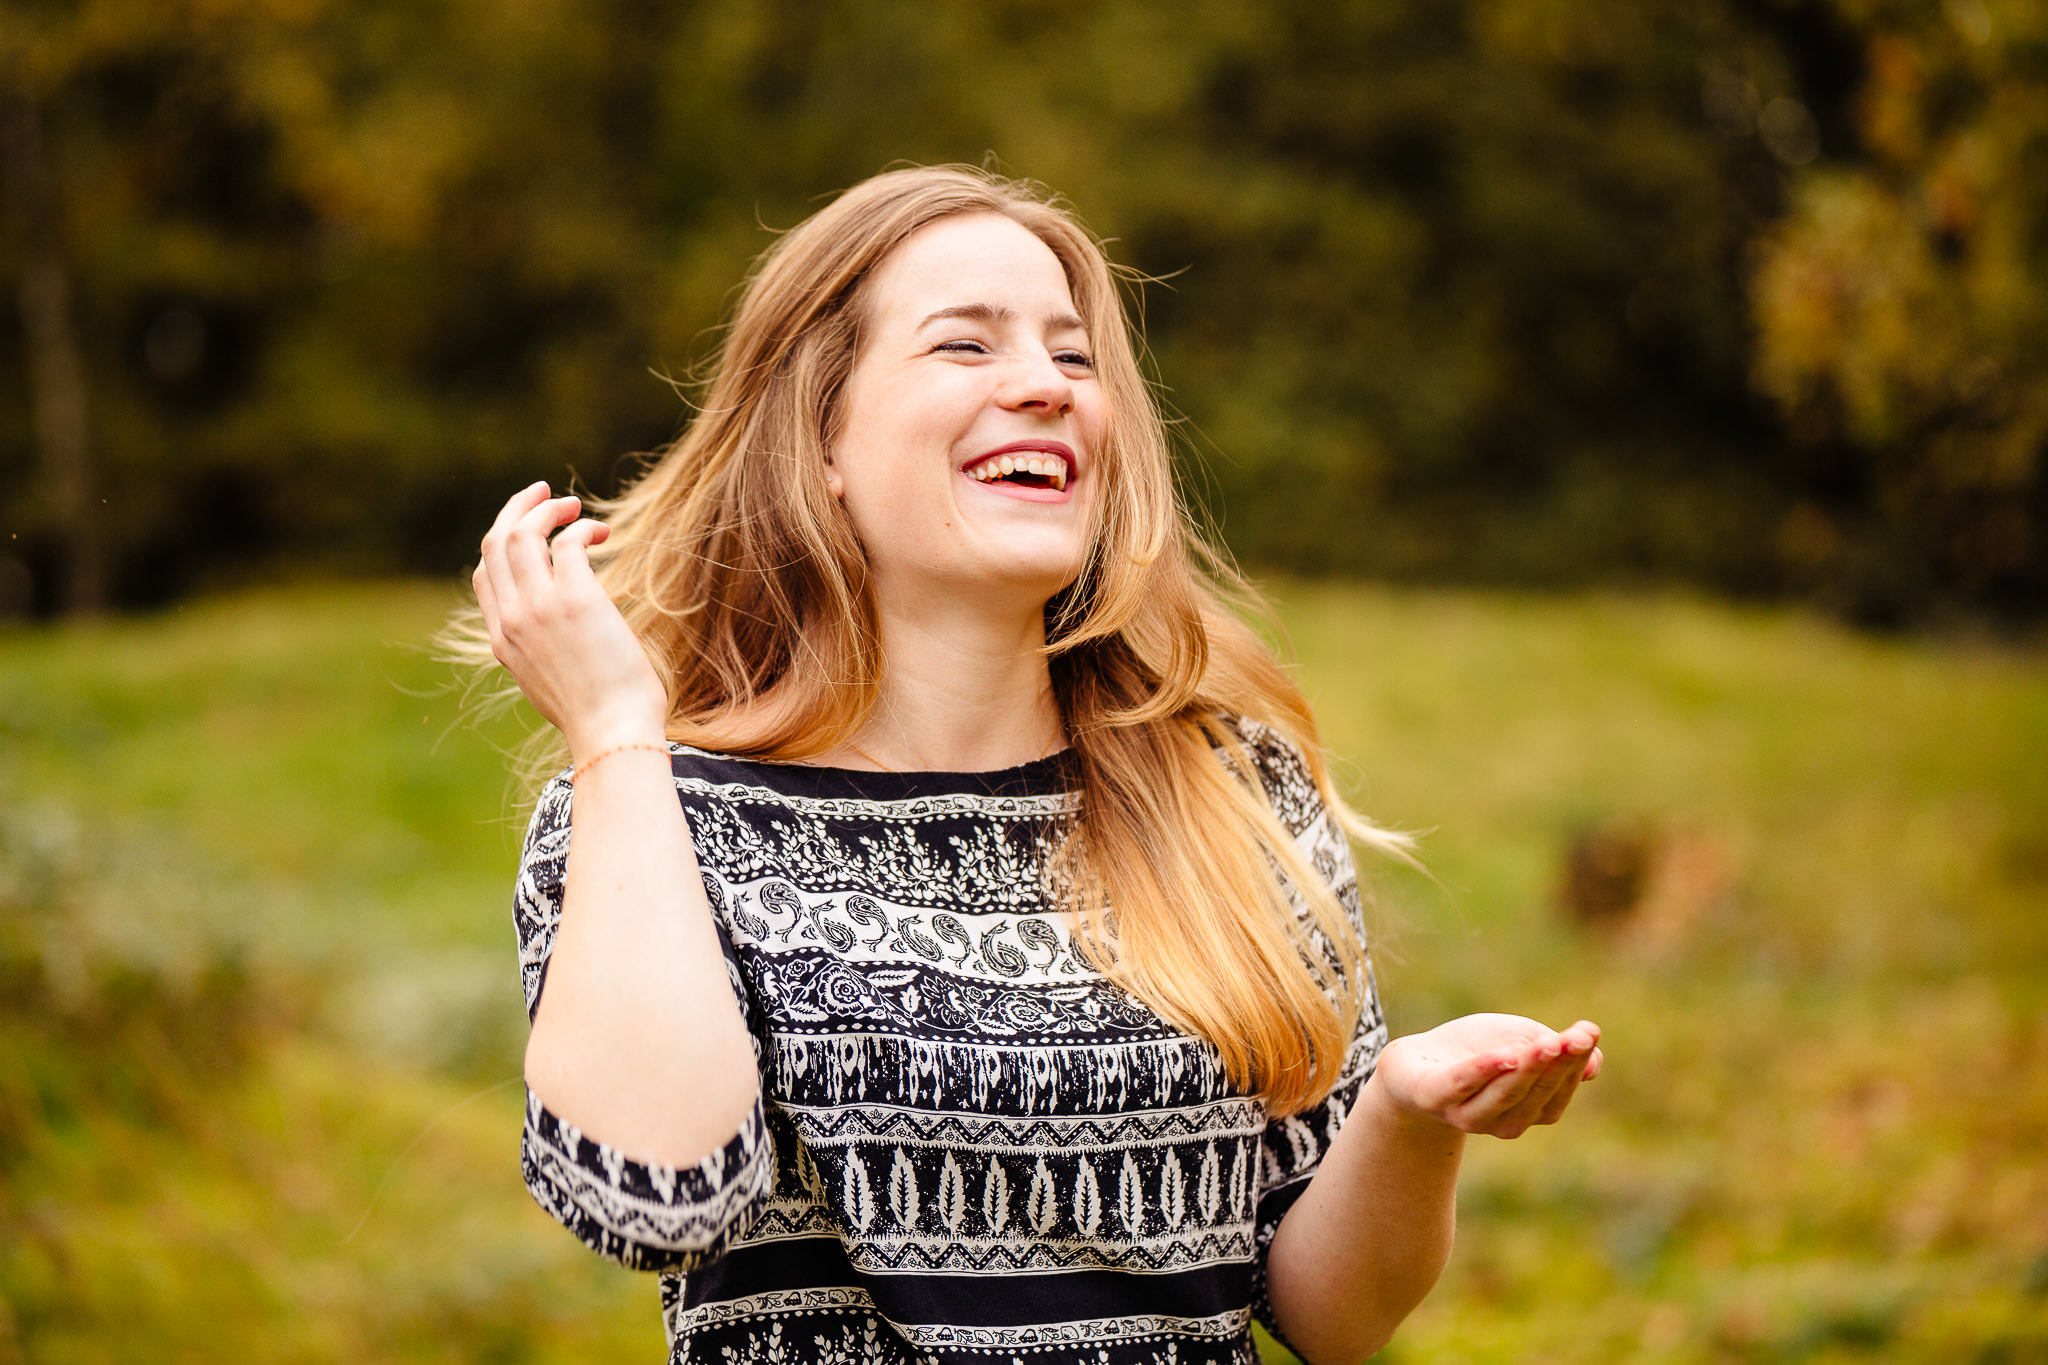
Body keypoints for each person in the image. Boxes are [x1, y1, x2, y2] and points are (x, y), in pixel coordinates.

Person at [459, 165, 1603, 1365]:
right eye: (964, 346)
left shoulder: (1229, 794)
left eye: (1072, 356)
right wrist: (612, 734)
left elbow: (1330, 1315)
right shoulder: (654, 815)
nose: (1043, 389)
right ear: (821, 438)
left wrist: (1409, 1114)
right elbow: (660, 1200)